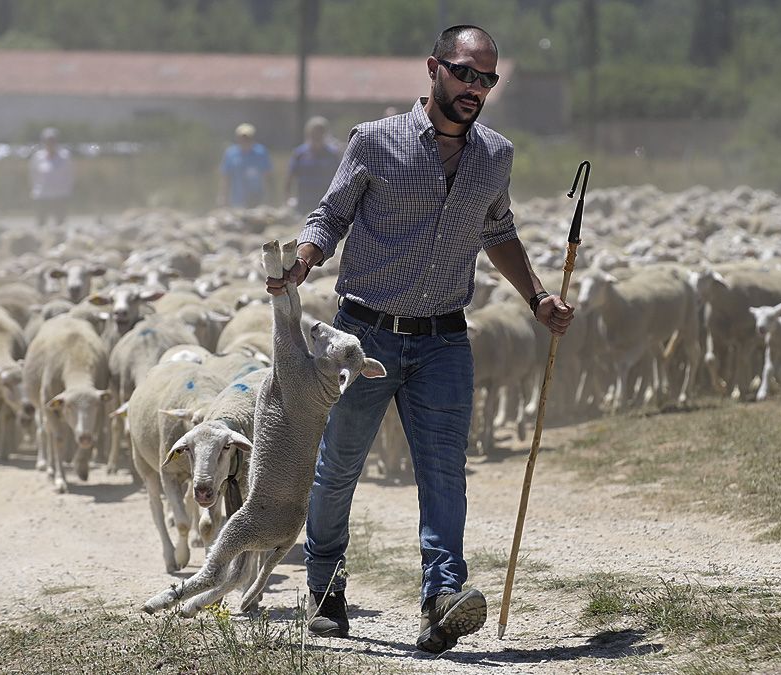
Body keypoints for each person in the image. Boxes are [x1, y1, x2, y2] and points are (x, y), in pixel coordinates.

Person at [265, 24, 574, 654]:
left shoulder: (495, 154)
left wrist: (538, 297)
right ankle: (326, 590)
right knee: (339, 467)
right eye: (465, 73)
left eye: (487, 79)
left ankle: (443, 596)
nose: (475, 88)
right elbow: (332, 213)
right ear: (434, 68)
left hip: (443, 339)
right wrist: (305, 258)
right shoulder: (375, 141)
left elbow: (499, 231)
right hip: (365, 334)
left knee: (443, 473)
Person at [285, 116, 341, 214]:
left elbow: (340, 179)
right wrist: (288, 200)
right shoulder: (300, 153)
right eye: (314, 133)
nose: (317, 136)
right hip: (303, 203)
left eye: (320, 133)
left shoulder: (333, 154)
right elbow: (290, 178)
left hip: (325, 205)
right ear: (308, 134)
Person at [29, 127, 74, 227]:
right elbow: (33, 175)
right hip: (42, 195)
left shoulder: (65, 156)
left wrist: (68, 191)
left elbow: (69, 175)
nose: (50, 143)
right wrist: (35, 190)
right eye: (47, 140)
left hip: (60, 195)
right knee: (41, 223)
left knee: (60, 223)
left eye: (52, 140)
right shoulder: (38, 157)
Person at [218, 123, 272, 208]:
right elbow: (226, 177)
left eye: (247, 138)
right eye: (242, 138)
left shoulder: (261, 152)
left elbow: (267, 176)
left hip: (257, 197)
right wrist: (223, 196)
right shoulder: (231, 154)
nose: (245, 140)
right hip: (237, 198)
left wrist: (269, 197)